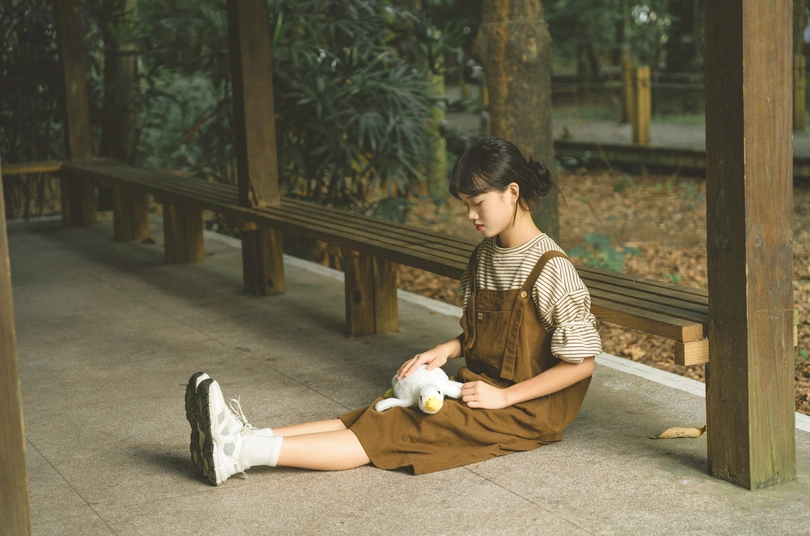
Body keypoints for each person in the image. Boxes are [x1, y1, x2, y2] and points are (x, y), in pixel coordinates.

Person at [185, 136, 602, 486]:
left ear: (512, 192)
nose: (470, 215)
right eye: (465, 205)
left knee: (396, 427)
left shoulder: (552, 268)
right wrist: (446, 349)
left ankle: (240, 453)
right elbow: (496, 333)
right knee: (374, 413)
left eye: (477, 202)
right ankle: (243, 435)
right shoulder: (485, 255)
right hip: (480, 388)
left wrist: (505, 396)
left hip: (526, 411)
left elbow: (582, 364)